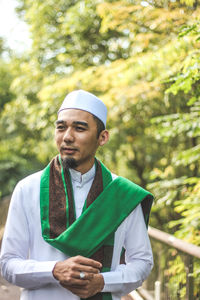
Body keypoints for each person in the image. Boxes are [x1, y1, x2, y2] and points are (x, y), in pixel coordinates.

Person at [0, 90, 154, 300]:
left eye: (79, 129)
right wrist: (54, 270)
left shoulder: (122, 194)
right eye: (61, 127)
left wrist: (103, 282)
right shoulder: (28, 189)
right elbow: (8, 264)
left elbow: (142, 262)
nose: (67, 137)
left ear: (103, 137)